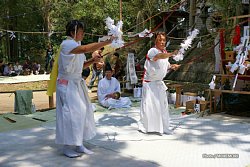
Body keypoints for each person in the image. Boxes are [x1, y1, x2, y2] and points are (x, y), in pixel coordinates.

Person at [55, 20, 112, 158]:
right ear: (72, 32)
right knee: (71, 113)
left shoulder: (76, 45)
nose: (83, 34)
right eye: (80, 31)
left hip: (76, 82)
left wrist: (93, 61)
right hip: (66, 84)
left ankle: (78, 143)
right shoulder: (67, 44)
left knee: (83, 110)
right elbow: (87, 49)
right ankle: (67, 146)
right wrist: (107, 42)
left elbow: (81, 66)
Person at [138, 31, 180, 135]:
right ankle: (146, 127)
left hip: (159, 83)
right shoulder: (152, 51)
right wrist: (171, 54)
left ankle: (164, 127)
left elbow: (165, 65)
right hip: (150, 84)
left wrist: (172, 66)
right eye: (160, 40)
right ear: (155, 41)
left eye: (164, 40)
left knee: (163, 106)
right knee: (149, 106)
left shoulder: (164, 52)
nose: (162, 42)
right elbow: (159, 57)